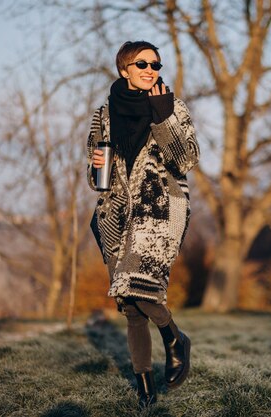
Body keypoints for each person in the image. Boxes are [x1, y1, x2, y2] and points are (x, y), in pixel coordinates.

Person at [86, 40, 200, 408]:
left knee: (141, 286)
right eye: (142, 64)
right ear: (124, 69)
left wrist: (163, 116)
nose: (151, 69)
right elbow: (96, 179)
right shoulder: (103, 115)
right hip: (116, 214)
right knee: (130, 305)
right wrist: (96, 167)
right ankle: (146, 392)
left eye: (156, 64)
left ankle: (173, 336)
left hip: (160, 207)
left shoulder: (171, 106)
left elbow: (187, 159)